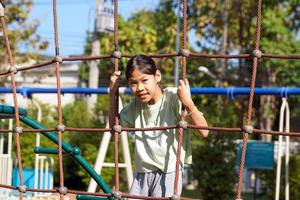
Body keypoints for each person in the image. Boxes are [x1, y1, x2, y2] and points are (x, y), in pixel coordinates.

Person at [109, 54, 208, 198]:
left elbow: (204, 132)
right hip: (142, 173)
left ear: (157, 76)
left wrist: (188, 103)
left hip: (168, 172)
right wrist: (112, 94)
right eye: (133, 83)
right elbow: (114, 130)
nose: (140, 88)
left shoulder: (173, 98)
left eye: (144, 80)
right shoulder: (136, 106)